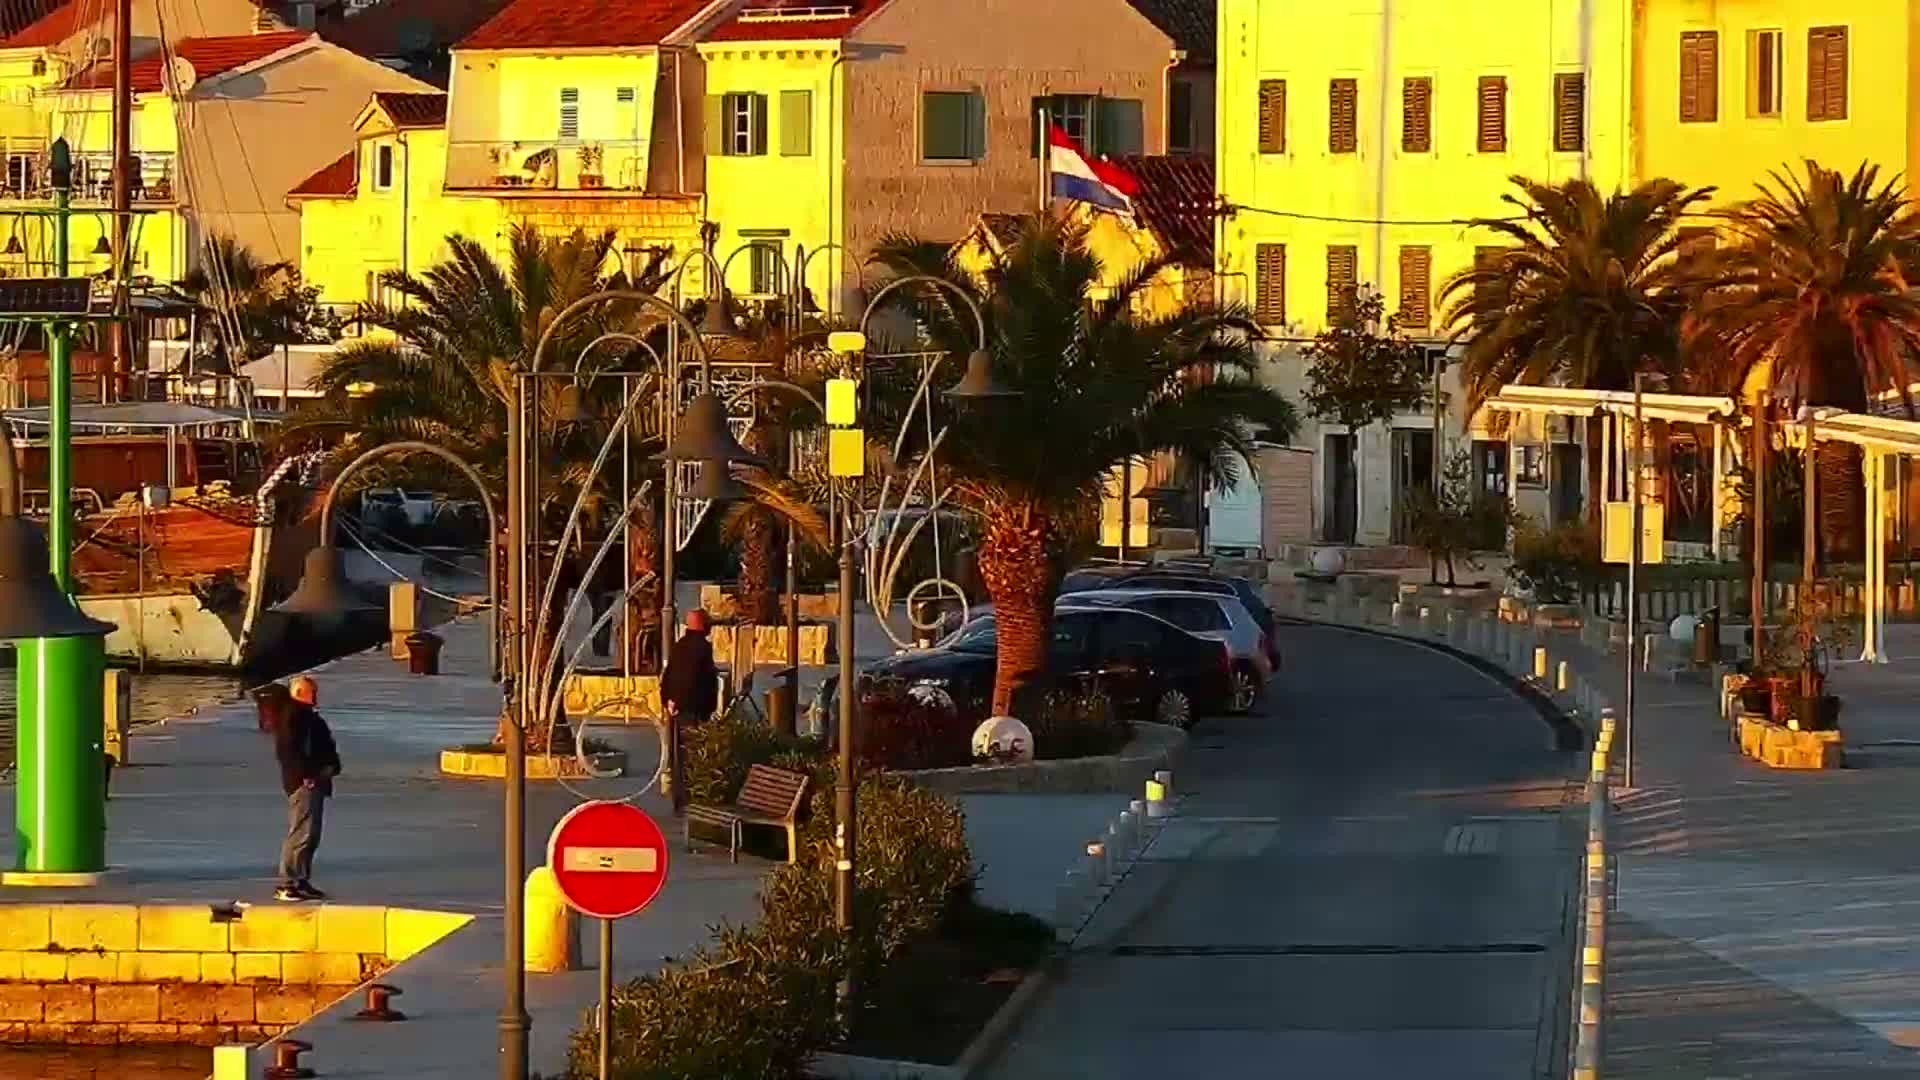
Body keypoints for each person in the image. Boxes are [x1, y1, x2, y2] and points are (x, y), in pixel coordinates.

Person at [273, 675, 341, 902]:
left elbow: (326, 745)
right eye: (313, 692)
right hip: (304, 782)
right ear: (301, 693)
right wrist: (307, 774)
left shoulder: (310, 718)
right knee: (301, 832)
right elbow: (289, 751)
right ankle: (287, 882)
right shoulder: (293, 717)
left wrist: (331, 766)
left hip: (317, 779)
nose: (316, 696)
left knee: (311, 834)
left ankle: (301, 879)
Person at [660, 608, 719, 727]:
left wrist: (667, 699)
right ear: (702, 625)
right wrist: (710, 706)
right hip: (694, 708)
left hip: (677, 705)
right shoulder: (703, 647)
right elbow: (707, 680)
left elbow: (668, 674)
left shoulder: (679, 646)